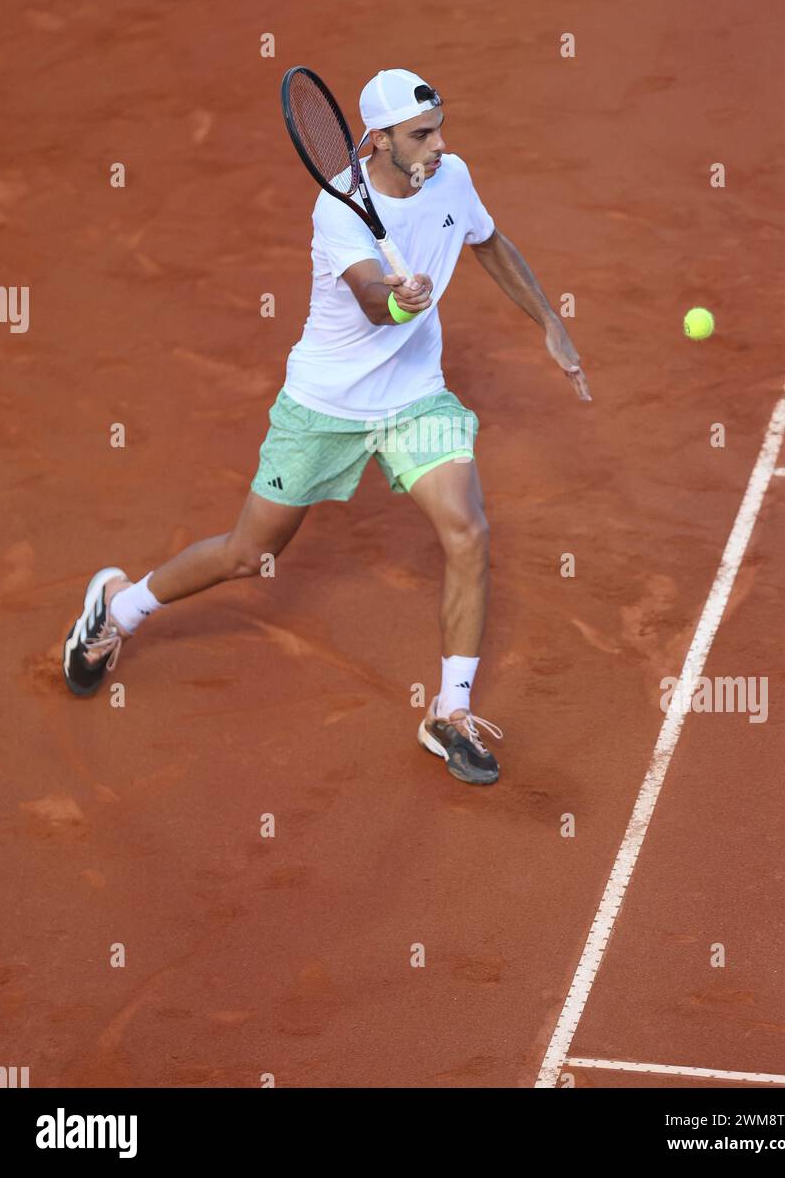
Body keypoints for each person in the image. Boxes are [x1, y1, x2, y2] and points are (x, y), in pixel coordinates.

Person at [62, 68, 590, 785]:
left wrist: (549, 321)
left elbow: (488, 241)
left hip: (413, 398)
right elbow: (374, 305)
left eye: (439, 129)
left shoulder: (451, 177)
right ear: (378, 140)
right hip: (325, 405)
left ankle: (450, 712)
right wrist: (402, 301)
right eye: (420, 136)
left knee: (467, 531)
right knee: (251, 553)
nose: (438, 146)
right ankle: (118, 608)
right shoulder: (339, 207)